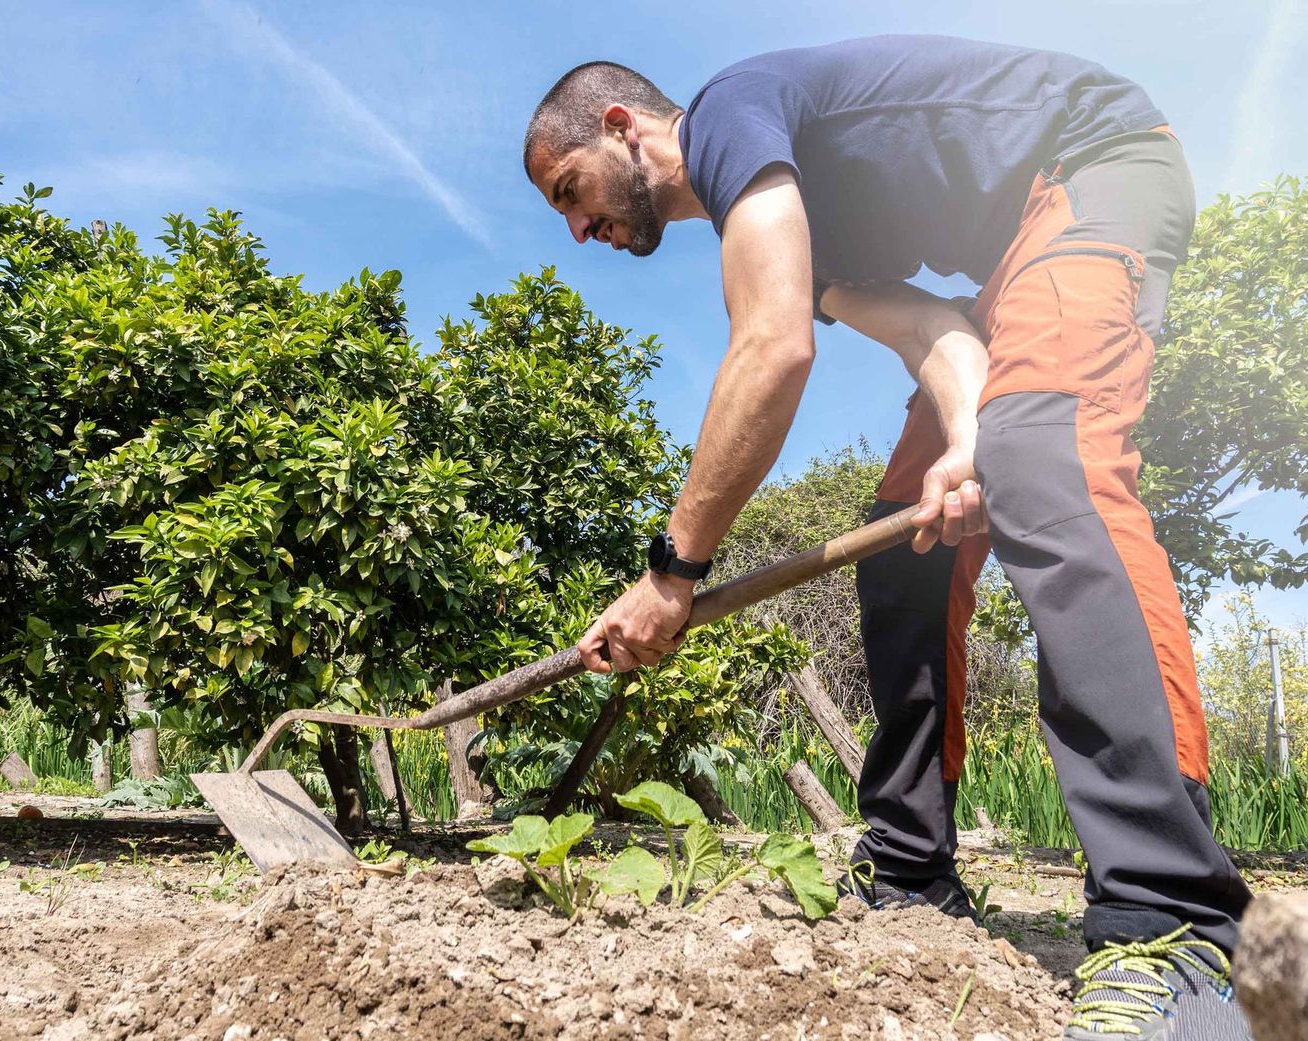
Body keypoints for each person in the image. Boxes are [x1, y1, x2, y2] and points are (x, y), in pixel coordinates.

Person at [522, 35, 1254, 1040]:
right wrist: (962, 438)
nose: (574, 227)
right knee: (903, 539)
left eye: (568, 190)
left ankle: (1173, 920)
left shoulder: (730, 113)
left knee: (1049, 458)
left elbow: (773, 347)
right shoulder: (788, 227)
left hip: (1094, 166)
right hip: (1008, 263)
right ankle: (911, 868)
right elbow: (935, 334)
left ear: (623, 128)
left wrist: (670, 574)